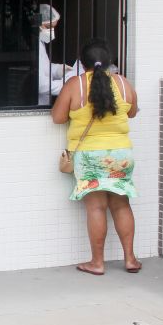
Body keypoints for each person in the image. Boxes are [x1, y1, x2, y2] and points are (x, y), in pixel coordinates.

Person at [51, 38, 141, 276]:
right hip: (121, 153)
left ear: (82, 62)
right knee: (121, 205)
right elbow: (132, 111)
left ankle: (97, 263)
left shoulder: (76, 85)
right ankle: (130, 259)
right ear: (110, 61)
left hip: (90, 156)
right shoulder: (122, 83)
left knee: (96, 208)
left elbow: (58, 118)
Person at [37, 4, 83, 106]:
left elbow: (43, 67)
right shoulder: (35, 46)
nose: (51, 31)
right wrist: (69, 85)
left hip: (42, 102)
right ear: (37, 23)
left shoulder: (40, 43)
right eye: (48, 27)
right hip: (34, 104)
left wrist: (59, 70)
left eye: (54, 27)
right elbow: (42, 85)